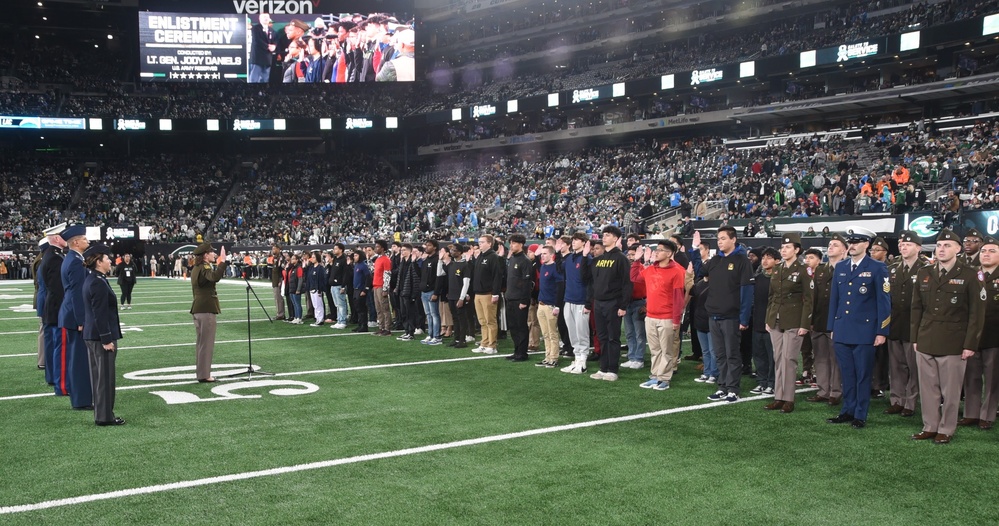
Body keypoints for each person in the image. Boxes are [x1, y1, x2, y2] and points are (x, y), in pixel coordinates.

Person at [910, 229, 985, 444]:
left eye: (947, 245)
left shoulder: (971, 274)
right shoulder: (925, 272)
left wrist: (970, 344)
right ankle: (930, 426)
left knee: (950, 391)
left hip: (954, 342)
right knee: (928, 389)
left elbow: (976, 314)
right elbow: (916, 309)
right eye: (939, 245)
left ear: (958, 249)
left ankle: (946, 428)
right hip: (925, 338)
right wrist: (915, 338)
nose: (941, 249)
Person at [826, 227, 891, 429]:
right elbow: (835, 300)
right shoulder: (841, 267)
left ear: (867, 244)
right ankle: (847, 410)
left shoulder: (878, 268)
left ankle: (860, 414)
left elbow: (884, 301)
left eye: (856, 241)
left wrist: (882, 330)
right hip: (843, 329)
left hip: (865, 331)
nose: (852, 245)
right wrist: (832, 326)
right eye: (850, 242)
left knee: (863, 375)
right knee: (847, 374)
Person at [703, 226, 754, 403]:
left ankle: (733, 388)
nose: (720, 241)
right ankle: (722, 386)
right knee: (720, 354)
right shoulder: (716, 260)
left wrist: (744, 318)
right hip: (714, 314)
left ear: (733, 239)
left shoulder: (742, 260)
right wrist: (696, 251)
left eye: (723, 238)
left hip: (732, 316)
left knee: (732, 354)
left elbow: (747, 291)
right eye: (718, 239)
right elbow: (699, 270)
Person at [764, 233, 812, 414]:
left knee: (789, 359)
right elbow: (772, 297)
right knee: (778, 359)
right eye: (782, 247)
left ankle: (789, 399)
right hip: (775, 319)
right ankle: (779, 396)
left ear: (797, 250)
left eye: (788, 247)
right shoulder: (777, 269)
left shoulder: (803, 270)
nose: (783, 250)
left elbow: (809, 299)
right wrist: (768, 319)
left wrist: (805, 324)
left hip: (794, 320)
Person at [885, 230, 928, 417]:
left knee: (913, 366)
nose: (903, 247)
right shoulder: (892, 268)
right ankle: (896, 400)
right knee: (895, 366)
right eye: (901, 244)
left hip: (915, 325)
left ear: (918, 248)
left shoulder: (925, 269)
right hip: (895, 323)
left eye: (908, 244)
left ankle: (910, 402)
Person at [634, 240, 686, 390]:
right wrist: (637, 261)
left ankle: (664, 379)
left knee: (666, 350)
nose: (656, 252)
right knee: (655, 349)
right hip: (650, 316)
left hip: (667, 317)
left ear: (669, 254)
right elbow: (635, 278)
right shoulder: (651, 269)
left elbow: (678, 298)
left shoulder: (677, 271)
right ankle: (655, 376)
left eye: (660, 250)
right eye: (656, 249)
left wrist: (676, 319)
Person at [82, 243, 124, 426]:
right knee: (105, 379)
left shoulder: (93, 278)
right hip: (100, 338)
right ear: (99, 262)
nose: (110, 261)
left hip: (92, 335)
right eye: (107, 259)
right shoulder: (97, 282)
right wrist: (106, 339)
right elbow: (100, 313)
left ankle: (101, 414)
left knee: (98, 378)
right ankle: (105, 417)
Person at [805, 234, 848, 406]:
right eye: (830, 244)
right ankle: (823, 390)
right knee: (821, 357)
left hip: (838, 322)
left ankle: (836, 392)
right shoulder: (821, 270)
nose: (831, 247)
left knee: (835, 359)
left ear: (844, 250)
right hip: (820, 320)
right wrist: (811, 320)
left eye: (835, 245)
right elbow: (814, 297)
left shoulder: (847, 268)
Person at [962, 235, 999, 430]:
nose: (986, 254)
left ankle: (987, 415)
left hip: (994, 336)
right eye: (984, 251)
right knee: (971, 377)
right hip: (972, 336)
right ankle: (971, 413)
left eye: (992, 251)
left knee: (992, 380)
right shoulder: (972, 274)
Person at [589, 226, 633, 382]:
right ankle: (603, 367)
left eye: (608, 235)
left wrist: (623, 306)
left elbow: (627, 284)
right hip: (598, 302)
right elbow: (591, 281)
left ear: (615, 238)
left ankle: (612, 369)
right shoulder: (598, 259)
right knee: (601, 337)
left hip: (613, 303)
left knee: (613, 337)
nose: (604, 237)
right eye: (604, 235)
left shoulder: (621, 258)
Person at [58, 223, 93, 410]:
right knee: (79, 359)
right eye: (85, 238)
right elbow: (77, 294)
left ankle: (79, 396)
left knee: (76, 357)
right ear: (77, 242)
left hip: (69, 313)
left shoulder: (71, 258)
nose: (87, 240)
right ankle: (81, 400)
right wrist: (81, 320)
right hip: (74, 316)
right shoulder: (75, 261)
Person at [190, 242, 228, 383]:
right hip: (205, 309)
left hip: (199, 308)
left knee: (201, 344)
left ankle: (202, 373)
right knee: (206, 344)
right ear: (205, 255)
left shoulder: (196, 268)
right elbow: (214, 277)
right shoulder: (204, 267)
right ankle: (205, 375)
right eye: (212, 252)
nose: (214, 254)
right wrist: (222, 262)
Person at [560, 233, 593, 374]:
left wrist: (588, 302)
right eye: (572, 240)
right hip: (569, 299)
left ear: (584, 243)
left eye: (577, 240)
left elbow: (589, 280)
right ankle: (577, 358)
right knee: (572, 332)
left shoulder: (588, 259)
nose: (573, 242)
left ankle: (583, 361)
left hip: (581, 300)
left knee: (582, 332)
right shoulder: (569, 259)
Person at [40, 223, 67, 394]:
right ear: (57, 238)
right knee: (59, 346)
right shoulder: (56, 258)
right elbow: (59, 290)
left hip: (50, 306)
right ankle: (60, 383)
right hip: (57, 308)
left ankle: (52, 377)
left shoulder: (49, 255)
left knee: (51, 344)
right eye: (64, 235)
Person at [749, 247, 779, 396]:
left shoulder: (779, 279)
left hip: (773, 324)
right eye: (763, 258)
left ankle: (772, 383)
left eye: (769, 257)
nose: (765, 261)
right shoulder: (758, 278)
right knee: (759, 354)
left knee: (771, 355)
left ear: (777, 261)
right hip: (758, 321)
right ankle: (762, 382)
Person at [504, 234, 534, 362]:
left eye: (514, 243)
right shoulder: (512, 259)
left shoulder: (525, 261)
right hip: (510, 298)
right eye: (510, 243)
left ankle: (522, 353)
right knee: (513, 326)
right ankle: (516, 350)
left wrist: (524, 301)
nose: (511, 245)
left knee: (521, 327)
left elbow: (527, 283)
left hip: (519, 300)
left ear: (521, 245)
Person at [472, 234, 503, 354]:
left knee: (490, 320)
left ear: (489, 243)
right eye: (479, 242)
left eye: (482, 242)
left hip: (488, 293)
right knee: (482, 320)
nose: (479, 244)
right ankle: (484, 343)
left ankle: (492, 345)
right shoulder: (480, 256)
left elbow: (497, 277)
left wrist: (495, 293)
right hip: (478, 293)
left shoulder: (493, 257)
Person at [535, 246, 565, 367]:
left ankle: (554, 357)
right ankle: (548, 356)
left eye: (545, 253)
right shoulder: (543, 267)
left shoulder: (555, 268)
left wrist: (557, 305)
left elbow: (560, 287)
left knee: (553, 333)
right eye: (541, 254)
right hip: (541, 304)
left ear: (552, 255)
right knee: (545, 333)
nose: (542, 256)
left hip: (551, 305)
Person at [622, 244, 648, 370]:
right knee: (629, 333)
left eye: (633, 254)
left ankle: (639, 358)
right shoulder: (625, 269)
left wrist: (647, 304)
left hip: (640, 302)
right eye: (629, 254)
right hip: (627, 303)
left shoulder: (643, 269)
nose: (631, 257)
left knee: (639, 334)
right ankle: (632, 357)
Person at [445, 244, 473, 348]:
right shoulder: (451, 264)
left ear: (460, 252)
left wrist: (462, 298)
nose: (451, 252)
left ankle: (463, 340)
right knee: (455, 318)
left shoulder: (465, 265)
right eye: (451, 250)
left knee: (462, 319)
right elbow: (440, 273)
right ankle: (456, 338)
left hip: (459, 296)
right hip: (451, 295)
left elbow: (466, 283)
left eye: (454, 250)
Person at [372, 240, 393, 336]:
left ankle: (387, 328)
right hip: (376, 285)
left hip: (381, 286)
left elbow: (387, 274)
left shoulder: (386, 259)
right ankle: (381, 327)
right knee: (378, 308)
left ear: (382, 248)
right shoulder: (377, 259)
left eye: (377, 247)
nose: (376, 248)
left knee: (385, 308)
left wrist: (385, 288)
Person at [329, 243, 350, 329]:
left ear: (341, 250)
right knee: (337, 304)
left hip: (339, 285)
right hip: (333, 285)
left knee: (341, 304)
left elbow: (345, 274)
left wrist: (343, 286)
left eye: (336, 249)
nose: (334, 250)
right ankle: (339, 320)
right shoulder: (335, 259)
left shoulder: (343, 260)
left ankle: (343, 321)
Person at [306, 251, 327, 327]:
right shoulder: (311, 267)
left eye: (314, 257)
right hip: (312, 288)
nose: (312, 258)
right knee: (315, 305)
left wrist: (320, 289)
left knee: (319, 305)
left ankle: (320, 319)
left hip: (317, 289)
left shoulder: (320, 268)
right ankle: (317, 318)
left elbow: (322, 279)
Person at [351, 251, 371, 332]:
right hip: (356, 289)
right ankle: (360, 324)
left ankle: (364, 326)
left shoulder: (363, 266)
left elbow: (368, 278)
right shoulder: (356, 265)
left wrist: (365, 289)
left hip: (361, 289)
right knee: (357, 308)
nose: (354, 257)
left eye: (356, 255)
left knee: (362, 308)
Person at [269, 245, 286, 321]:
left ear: (279, 249)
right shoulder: (275, 258)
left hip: (278, 280)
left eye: (274, 248)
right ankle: (279, 313)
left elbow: (282, 270)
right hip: (275, 280)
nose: (273, 250)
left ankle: (281, 314)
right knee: (276, 298)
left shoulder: (281, 258)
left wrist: (280, 280)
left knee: (279, 298)